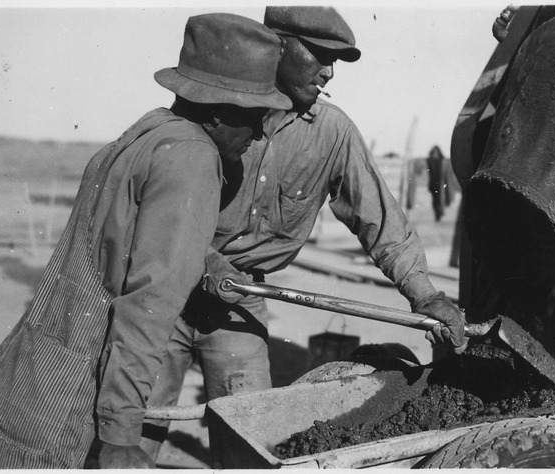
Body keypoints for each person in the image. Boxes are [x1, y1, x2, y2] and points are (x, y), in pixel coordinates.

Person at [140, 6, 468, 462]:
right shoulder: (211, 108)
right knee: (131, 431)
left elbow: (381, 223)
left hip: (237, 307)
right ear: (278, 44)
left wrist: (426, 296)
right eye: (319, 55)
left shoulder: (333, 133)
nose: (330, 72)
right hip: (163, 295)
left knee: (251, 443)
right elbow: (151, 211)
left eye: (337, 61)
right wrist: (205, 260)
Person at [0, 13, 290, 469]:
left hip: (26, 373)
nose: (261, 133)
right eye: (257, 116)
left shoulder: (151, 130)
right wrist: (122, 434)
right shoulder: (193, 158)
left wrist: (203, 260)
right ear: (217, 109)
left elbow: (121, 239)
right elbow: (147, 307)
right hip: (69, 399)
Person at [426, 145, 456, 222]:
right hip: (433, 184)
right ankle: (437, 214)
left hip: (440, 183)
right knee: (435, 201)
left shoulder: (442, 161)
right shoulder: (430, 161)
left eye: (436, 152)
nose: (435, 154)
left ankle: (439, 214)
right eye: (434, 153)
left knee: (441, 199)